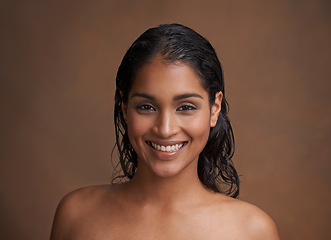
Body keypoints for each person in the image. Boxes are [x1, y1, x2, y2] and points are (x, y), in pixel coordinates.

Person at [50, 23, 279, 240]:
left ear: (214, 108)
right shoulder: (76, 215)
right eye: (146, 107)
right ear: (124, 106)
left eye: (186, 107)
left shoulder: (252, 231)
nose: (165, 129)